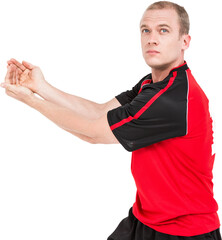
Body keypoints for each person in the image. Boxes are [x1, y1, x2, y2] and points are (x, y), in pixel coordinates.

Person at [1, 1, 221, 239]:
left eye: (163, 30)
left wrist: (30, 101)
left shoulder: (173, 99)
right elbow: (98, 112)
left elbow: (92, 133)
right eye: (145, 30)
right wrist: (41, 87)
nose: (152, 38)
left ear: (184, 42)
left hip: (184, 232)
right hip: (144, 218)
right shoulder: (152, 84)